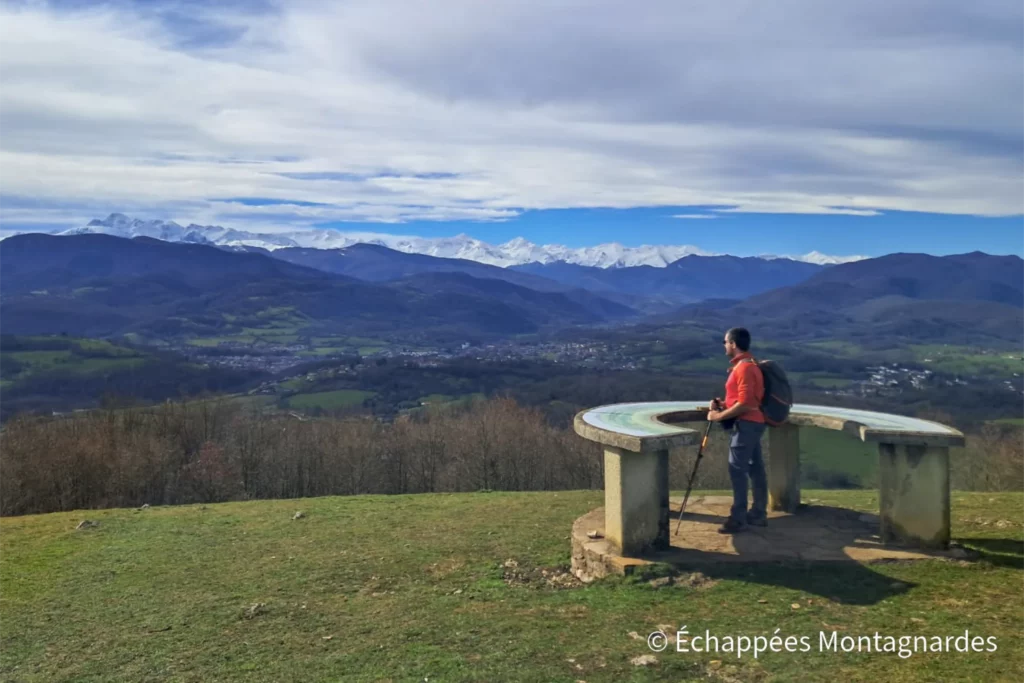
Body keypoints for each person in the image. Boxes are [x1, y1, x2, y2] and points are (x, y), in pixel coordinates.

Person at [706, 327, 767, 534]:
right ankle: (758, 514)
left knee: (737, 470)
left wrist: (718, 416)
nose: (724, 346)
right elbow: (741, 400)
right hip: (753, 422)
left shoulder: (744, 368)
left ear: (733, 343)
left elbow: (746, 403)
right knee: (755, 468)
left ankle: (738, 518)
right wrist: (723, 403)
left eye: (725, 342)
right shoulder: (748, 365)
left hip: (747, 424)